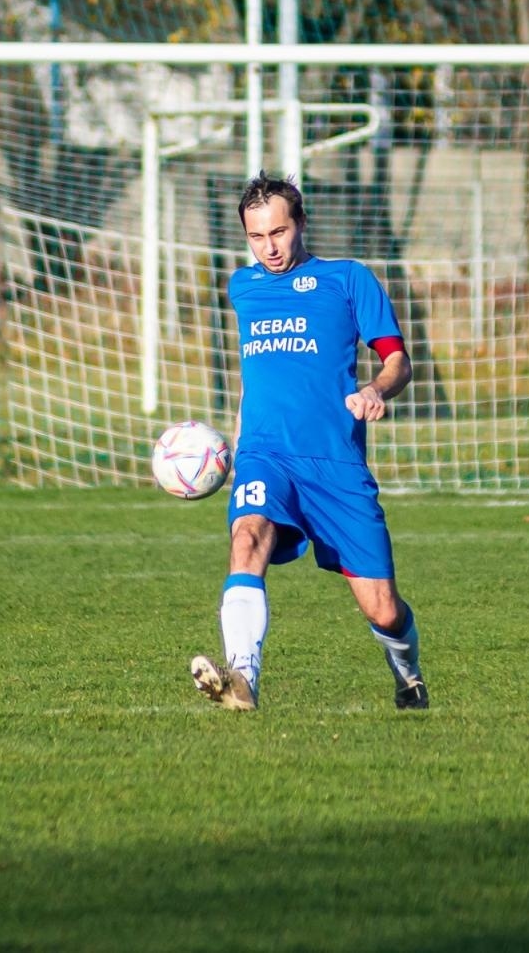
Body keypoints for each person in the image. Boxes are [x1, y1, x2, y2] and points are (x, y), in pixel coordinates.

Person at [190, 171, 427, 710]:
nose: (268, 248)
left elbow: (397, 359)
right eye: (256, 237)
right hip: (265, 453)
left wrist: (375, 388)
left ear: (301, 224)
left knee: (383, 610)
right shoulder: (242, 287)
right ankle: (241, 678)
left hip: (336, 463)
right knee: (246, 538)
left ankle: (408, 672)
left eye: (278, 232)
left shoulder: (348, 280)